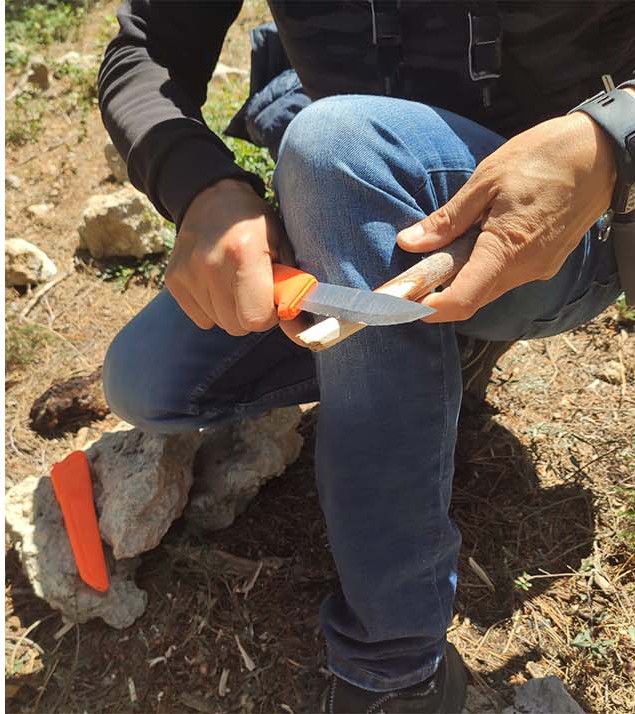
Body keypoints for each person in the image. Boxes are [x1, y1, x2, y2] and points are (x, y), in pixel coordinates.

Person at [97, 2, 635, 712]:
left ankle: (396, 675)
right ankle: (429, 345)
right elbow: (148, 47)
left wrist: (611, 136)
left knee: (332, 143)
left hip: (575, 219)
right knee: (150, 382)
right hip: (349, 196)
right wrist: (200, 186)